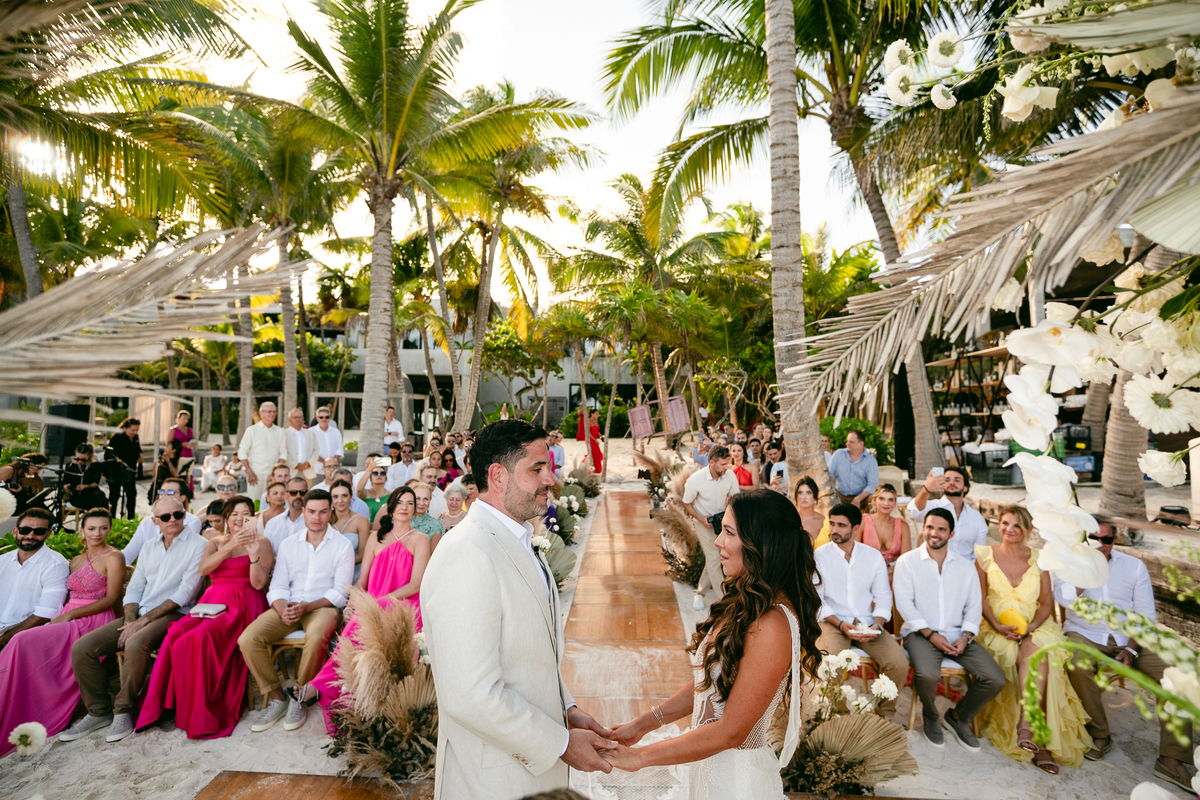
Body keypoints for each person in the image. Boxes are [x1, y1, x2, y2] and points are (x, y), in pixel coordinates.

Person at [422, 420, 615, 799]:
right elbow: (470, 694)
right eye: (537, 469)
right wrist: (559, 744)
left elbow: (527, 652)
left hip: (533, 771)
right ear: (497, 476)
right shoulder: (467, 554)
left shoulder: (520, 538)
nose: (550, 480)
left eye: (550, 467)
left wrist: (566, 706)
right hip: (493, 781)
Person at [601, 491, 820, 798]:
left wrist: (641, 757)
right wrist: (643, 724)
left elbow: (732, 731)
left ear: (761, 544)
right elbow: (712, 682)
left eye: (729, 533)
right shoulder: (748, 601)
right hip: (708, 767)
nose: (717, 541)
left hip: (736, 782)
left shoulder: (772, 624)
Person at [1055, 519, 1193, 790]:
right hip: (1085, 634)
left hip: (1129, 638)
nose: (1100, 544)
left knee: (1178, 677)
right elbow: (1064, 598)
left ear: (1114, 541)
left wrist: (1132, 647)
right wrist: (1085, 571)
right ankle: (1100, 735)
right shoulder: (1069, 563)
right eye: (1093, 538)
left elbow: (1145, 616)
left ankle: (1171, 759)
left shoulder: (1134, 566)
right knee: (1076, 664)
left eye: (1105, 539)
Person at [63, 496, 207, 743]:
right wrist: (131, 618)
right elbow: (135, 588)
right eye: (165, 517)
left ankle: (124, 710)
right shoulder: (150, 545)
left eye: (178, 514)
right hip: (140, 612)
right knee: (83, 648)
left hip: (177, 613)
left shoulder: (199, 544)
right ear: (155, 521)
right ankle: (99, 711)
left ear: (185, 515)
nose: (173, 520)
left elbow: (185, 593)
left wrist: (143, 621)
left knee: (135, 642)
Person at [136, 496, 272, 739]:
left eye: (245, 514)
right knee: (175, 634)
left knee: (199, 638)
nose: (240, 519)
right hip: (210, 603)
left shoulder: (262, 542)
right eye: (234, 515)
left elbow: (258, 583)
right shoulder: (215, 541)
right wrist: (230, 546)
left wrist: (251, 554)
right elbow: (204, 570)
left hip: (243, 602)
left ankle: (201, 711)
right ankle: (169, 706)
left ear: (253, 517)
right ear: (227, 519)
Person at [975, 507, 1091, 774]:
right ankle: (1038, 738)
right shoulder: (984, 556)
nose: (1009, 529)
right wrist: (997, 625)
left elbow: (1047, 603)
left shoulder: (1040, 559)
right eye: (1004, 523)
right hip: (995, 625)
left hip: (1036, 624)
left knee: (1040, 652)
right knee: (1011, 654)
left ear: (1028, 530)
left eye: (1017, 525)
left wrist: (1033, 627)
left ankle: (1028, 725)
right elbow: (980, 598)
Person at [0, 509, 122, 755]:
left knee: (22, 639)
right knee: (30, 644)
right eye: (91, 528)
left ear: (109, 530)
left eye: (103, 528)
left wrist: (69, 615)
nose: (97, 533)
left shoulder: (114, 557)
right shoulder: (76, 560)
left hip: (91, 619)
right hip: (67, 615)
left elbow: (111, 599)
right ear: (82, 531)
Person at [312, 486, 430, 734]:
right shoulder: (376, 538)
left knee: (371, 614)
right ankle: (339, 693)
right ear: (391, 506)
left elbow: (416, 583)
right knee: (359, 621)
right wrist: (354, 602)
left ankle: (319, 683)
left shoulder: (421, 539)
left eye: (411, 503)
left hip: (406, 604)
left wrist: (379, 601)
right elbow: (362, 580)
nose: (405, 507)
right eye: (401, 502)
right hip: (374, 602)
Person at [238, 489, 354, 734]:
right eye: (312, 511)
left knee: (317, 636)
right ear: (303, 512)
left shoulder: (342, 546)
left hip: (321, 607)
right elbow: (278, 584)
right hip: (289, 606)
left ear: (330, 513)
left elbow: (340, 592)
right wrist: (281, 608)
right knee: (248, 639)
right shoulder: (289, 545)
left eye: (323, 512)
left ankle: (300, 696)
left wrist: (308, 607)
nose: (317, 517)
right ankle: (278, 697)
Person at [893, 507, 1004, 750]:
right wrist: (931, 635)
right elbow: (904, 605)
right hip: (920, 634)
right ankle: (931, 716)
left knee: (995, 679)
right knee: (928, 674)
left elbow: (974, 605)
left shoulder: (965, 567)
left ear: (951, 534)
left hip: (958, 636)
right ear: (923, 529)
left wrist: (965, 636)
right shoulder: (908, 562)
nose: (934, 533)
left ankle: (959, 717)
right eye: (930, 527)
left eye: (941, 529)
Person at [813, 504, 909, 715]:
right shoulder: (819, 555)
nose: (834, 530)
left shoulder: (872, 557)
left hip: (867, 623)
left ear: (855, 528)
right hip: (833, 621)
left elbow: (883, 596)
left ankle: (882, 716)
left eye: (841, 525)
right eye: (832, 524)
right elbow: (817, 600)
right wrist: (840, 624)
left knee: (899, 664)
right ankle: (838, 716)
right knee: (829, 662)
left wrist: (877, 624)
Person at [0, 509, 69, 650]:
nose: (30, 535)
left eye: (38, 531)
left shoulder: (55, 565)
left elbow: (47, 613)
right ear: (15, 531)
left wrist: (7, 636)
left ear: (48, 534)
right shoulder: (2, 561)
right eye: (25, 530)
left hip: (25, 636)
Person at [682, 445, 741, 611]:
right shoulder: (695, 479)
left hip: (723, 522)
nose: (727, 467)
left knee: (712, 560)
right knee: (715, 560)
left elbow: (734, 499)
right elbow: (687, 503)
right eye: (723, 464)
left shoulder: (729, 476)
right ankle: (724, 601)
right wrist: (701, 518)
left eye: (727, 463)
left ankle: (699, 593)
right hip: (703, 522)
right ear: (712, 462)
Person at [910, 467, 989, 563]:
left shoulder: (977, 518)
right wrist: (926, 490)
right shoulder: (933, 507)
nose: (952, 483)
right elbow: (915, 513)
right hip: (934, 567)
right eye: (947, 480)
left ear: (965, 487)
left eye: (957, 480)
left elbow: (980, 555)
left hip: (965, 570)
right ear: (942, 486)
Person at [121, 477, 202, 564]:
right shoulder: (147, 522)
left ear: (182, 498)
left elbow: (184, 553)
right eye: (161, 491)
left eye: (170, 492)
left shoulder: (192, 521)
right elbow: (129, 554)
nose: (164, 495)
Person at [236, 401, 288, 494]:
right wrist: (249, 472)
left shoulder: (280, 431)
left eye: (274, 412)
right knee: (255, 503)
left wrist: (276, 473)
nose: (272, 414)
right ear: (261, 412)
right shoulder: (252, 430)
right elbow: (242, 452)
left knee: (273, 503)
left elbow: (283, 453)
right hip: (255, 474)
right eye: (269, 411)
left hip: (273, 476)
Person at [859, 483, 910, 571]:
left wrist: (889, 571)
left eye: (890, 500)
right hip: (867, 571)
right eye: (881, 499)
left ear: (895, 502)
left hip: (895, 572)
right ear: (875, 500)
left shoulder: (902, 526)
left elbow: (906, 558)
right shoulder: (863, 522)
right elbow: (855, 553)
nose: (886, 503)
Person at [329, 480, 369, 581]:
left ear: (351, 497)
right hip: (328, 572)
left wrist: (341, 565)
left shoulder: (361, 520)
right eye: (335, 496)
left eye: (344, 496)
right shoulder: (325, 519)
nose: (340, 500)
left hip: (353, 573)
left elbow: (363, 554)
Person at [827, 430, 878, 507]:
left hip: (862, 497)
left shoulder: (870, 461)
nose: (847, 444)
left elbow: (873, 485)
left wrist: (858, 499)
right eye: (847, 441)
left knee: (874, 500)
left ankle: (868, 519)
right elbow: (828, 474)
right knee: (828, 499)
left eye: (851, 442)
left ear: (861, 444)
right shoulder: (838, 454)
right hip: (840, 496)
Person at [105, 418, 142, 518]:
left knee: (131, 495)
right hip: (117, 471)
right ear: (125, 428)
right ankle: (111, 518)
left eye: (136, 430)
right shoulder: (117, 437)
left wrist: (140, 454)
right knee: (114, 495)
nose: (135, 432)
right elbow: (109, 454)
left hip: (130, 470)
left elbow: (137, 447)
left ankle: (131, 518)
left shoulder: (135, 437)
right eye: (132, 430)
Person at [264, 476, 310, 553]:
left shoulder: (314, 522)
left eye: (302, 492)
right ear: (286, 495)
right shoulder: (272, 524)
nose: (298, 496)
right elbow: (266, 552)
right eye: (293, 492)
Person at [62, 443, 110, 512]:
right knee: (99, 500)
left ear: (90, 456)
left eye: (83, 459)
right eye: (77, 459)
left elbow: (96, 483)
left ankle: (99, 516)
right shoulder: (71, 465)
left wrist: (85, 486)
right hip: (77, 495)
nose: (80, 461)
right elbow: (65, 482)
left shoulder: (96, 465)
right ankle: (100, 515)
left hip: (91, 492)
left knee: (99, 495)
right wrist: (67, 486)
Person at [283, 407, 320, 483]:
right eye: (295, 417)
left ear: (303, 418)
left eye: (299, 417)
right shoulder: (284, 434)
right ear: (289, 419)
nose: (297, 419)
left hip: (308, 471)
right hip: (291, 471)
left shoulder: (310, 433)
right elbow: (283, 452)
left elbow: (316, 450)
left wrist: (309, 463)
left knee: (307, 494)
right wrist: (294, 464)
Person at [792, 476, 830, 549]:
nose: (804, 497)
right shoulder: (791, 519)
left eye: (808, 493)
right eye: (800, 493)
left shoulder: (826, 521)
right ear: (796, 496)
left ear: (815, 496)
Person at [358, 455, 392, 525]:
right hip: (366, 528)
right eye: (375, 473)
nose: (379, 475)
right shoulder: (366, 493)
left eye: (382, 473)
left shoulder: (391, 495)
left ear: (386, 478)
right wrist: (370, 469)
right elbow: (359, 490)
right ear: (370, 479)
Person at [311, 406, 344, 479]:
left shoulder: (336, 432)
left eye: (326, 417)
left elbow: (340, 450)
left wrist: (331, 464)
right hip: (316, 471)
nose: (324, 419)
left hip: (333, 471)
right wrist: (326, 463)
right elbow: (310, 451)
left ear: (329, 418)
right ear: (317, 418)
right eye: (321, 417)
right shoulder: (311, 432)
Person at [169, 410, 197, 490]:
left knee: (189, 473)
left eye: (187, 419)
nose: (186, 421)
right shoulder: (173, 430)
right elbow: (169, 443)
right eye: (184, 418)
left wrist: (193, 443)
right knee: (179, 473)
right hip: (179, 453)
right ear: (178, 418)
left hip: (188, 453)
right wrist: (181, 444)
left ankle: (189, 491)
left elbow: (192, 439)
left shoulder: (189, 429)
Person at [577, 408, 603, 475]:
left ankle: (597, 470)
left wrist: (601, 436)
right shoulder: (588, 421)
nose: (597, 415)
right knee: (593, 453)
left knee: (597, 454)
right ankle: (585, 466)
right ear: (592, 414)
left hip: (595, 439)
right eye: (596, 414)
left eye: (598, 414)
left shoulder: (596, 420)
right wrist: (595, 440)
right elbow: (588, 433)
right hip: (589, 439)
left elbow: (597, 430)